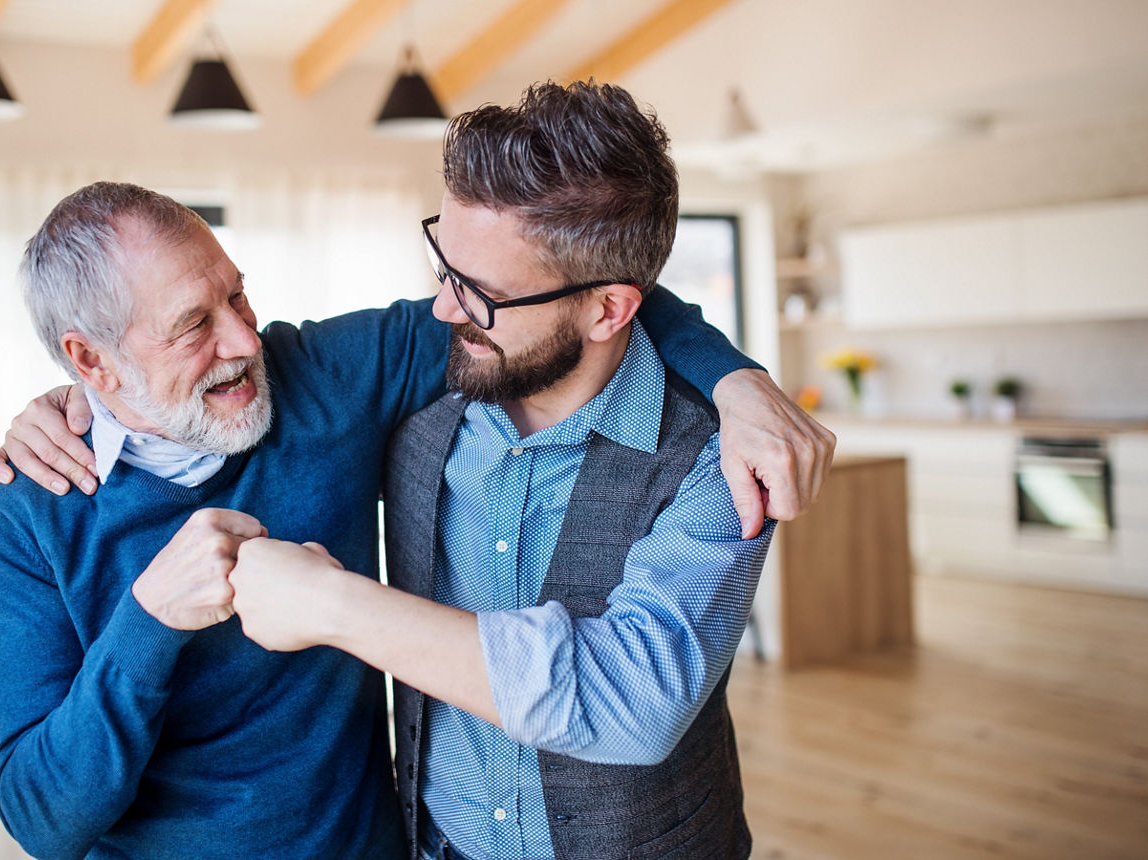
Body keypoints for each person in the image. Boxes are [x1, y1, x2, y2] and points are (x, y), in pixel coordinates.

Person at [0, 177, 831, 856]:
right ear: (91, 361)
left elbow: (579, 303)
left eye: (238, 297)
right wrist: (149, 618)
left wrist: (737, 381)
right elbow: (43, 821)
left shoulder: (326, 374)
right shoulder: (24, 513)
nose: (244, 341)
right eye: (194, 325)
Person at [228, 81, 778, 860]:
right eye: (444, 269)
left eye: (483, 293)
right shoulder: (413, 394)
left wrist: (334, 606)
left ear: (608, 310)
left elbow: (634, 702)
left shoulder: (717, 455)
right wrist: (82, 404)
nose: (446, 311)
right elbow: (207, 384)